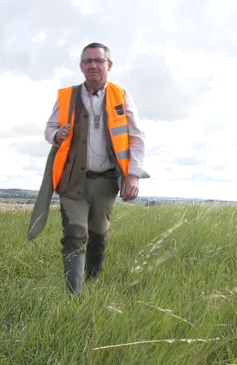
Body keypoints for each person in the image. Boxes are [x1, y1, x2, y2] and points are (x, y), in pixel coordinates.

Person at [29, 42, 148, 294]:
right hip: (72, 180)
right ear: (81, 66)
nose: (93, 65)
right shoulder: (66, 96)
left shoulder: (122, 96)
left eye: (99, 60)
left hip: (106, 182)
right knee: (74, 233)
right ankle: (74, 295)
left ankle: (92, 283)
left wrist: (133, 175)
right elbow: (49, 129)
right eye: (88, 61)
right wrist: (56, 135)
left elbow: (137, 138)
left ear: (109, 65)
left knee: (98, 235)